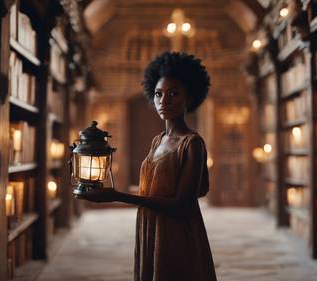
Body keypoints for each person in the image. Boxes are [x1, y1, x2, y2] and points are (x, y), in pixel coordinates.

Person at [76, 51, 217, 281]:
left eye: (173, 94)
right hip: (150, 224)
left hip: (177, 232)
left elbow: (182, 205)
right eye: (158, 94)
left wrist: (118, 196)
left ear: (188, 98)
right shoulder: (158, 140)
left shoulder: (193, 144)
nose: (164, 100)